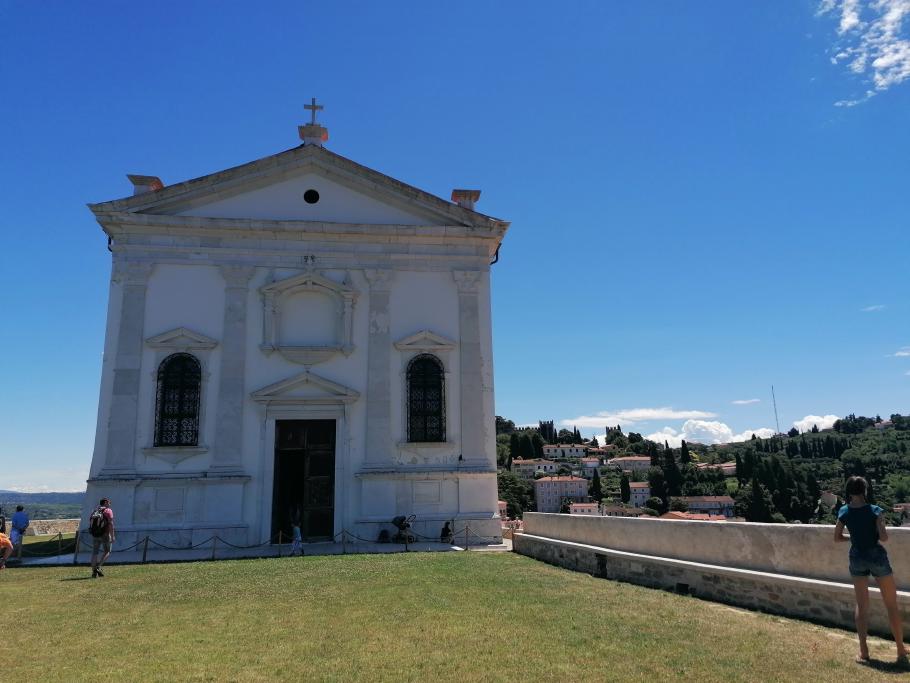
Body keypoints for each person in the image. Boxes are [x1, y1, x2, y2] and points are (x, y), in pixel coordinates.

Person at [834, 476, 908, 666]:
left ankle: (864, 651)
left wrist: (853, 538)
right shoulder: (875, 510)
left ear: (849, 491)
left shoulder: (844, 511)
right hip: (876, 556)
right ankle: (900, 649)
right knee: (891, 604)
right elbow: (884, 538)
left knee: (862, 604)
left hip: (856, 557)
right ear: (865, 490)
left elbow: (837, 537)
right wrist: (879, 523)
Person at [89, 498, 115, 578]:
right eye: (109, 502)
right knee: (107, 551)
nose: (110, 504)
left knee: (95, 553)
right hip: (105, 534)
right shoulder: (108, 511)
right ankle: (98, 567)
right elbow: (111, 524)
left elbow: (90, 522)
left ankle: (94, 571)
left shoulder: (95, 511)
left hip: (95, 534)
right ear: (106, 502)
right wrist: (112, 536)